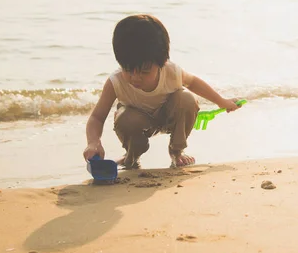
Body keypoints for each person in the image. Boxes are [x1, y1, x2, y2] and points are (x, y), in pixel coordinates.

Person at [82, 14, 242, 168]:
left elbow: (194, 83)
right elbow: (97, 117)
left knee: (186, 98)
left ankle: (176, 152)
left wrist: (222, 102)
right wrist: (93, 142)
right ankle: (131, 156)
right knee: (125, 118)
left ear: (162, 63)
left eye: (145, 72)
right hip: (137, 122)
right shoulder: (116, 81)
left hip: (168, 116)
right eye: (129, 70)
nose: (135, 78)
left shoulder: (171, 72)